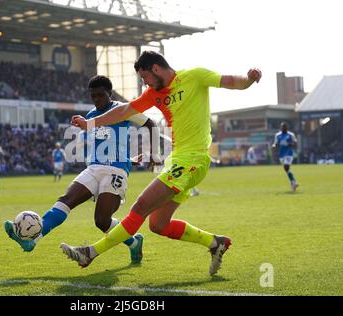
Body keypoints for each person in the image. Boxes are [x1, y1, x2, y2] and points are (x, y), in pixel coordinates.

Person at [62, 51, 262, 276]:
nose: (144, 82)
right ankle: (216, 243)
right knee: (158, 225)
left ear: (155, 69)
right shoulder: (154, 93)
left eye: (144, 77)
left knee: (140, 207)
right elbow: (124, 111)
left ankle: (90, 252)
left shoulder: (194, 76)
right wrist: (90, 124)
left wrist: (249, 79)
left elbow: (232, 82)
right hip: (177, 160)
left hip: (193, 159)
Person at [4, 75, 159, 264]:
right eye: (93, 96)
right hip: (94, 168)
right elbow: (106, 142)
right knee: (65, 201)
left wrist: (153, 154)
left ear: (109, 93)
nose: (97, 99)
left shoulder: (123, 109)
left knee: (102, 221)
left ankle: (134, 243)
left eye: (100, 95)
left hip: (115, 171)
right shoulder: (91, 115)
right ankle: (32, 240)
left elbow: (151, 124)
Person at [272, 122, 299, 191]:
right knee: (286, 170)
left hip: (289, 153)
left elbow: (295, 142)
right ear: (281, 128)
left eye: (284, 127)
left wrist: (292, 144)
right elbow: (275, 143)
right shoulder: (278, 135)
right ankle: (293, 182)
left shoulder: (290, 135)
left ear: (287, 127)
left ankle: (293, 182)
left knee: (286, 167)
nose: (283, 128)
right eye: (282, 127)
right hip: (281, 154)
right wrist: (274, 146)